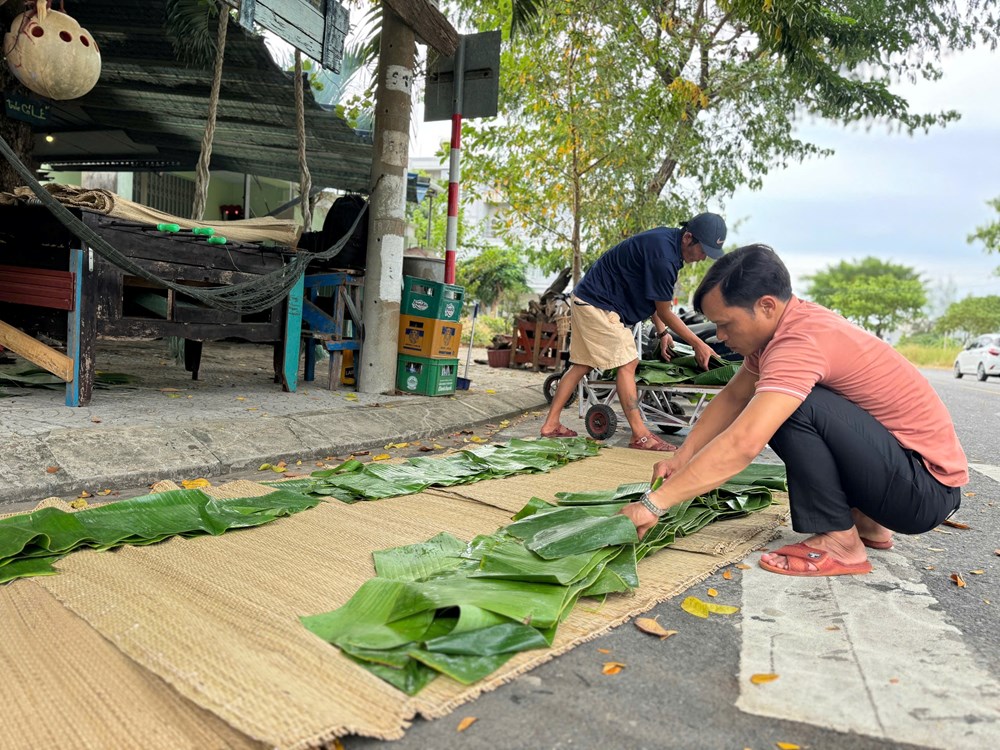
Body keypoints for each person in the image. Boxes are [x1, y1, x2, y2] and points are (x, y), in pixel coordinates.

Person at [620, 244, 967, 576]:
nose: (720, 336)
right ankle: (868, 524)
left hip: (922, 490)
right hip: (912, 481)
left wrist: (655, 504)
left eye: (726, 324)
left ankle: (840, 542)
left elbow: (744, 441)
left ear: (767, 306)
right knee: (782, 399)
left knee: (792, 408)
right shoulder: (783, 329)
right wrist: (683, 456)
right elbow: (732, 397)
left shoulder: (798, 342)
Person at [540, 213, 727, 451]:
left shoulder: (667, 242)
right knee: (629, 362)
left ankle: (551, 425)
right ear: (689, 237)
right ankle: (640, 435)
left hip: (589, 299)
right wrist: (698, 344)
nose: (702, 258)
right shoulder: (664, 257)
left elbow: (654, 299)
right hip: (597, 305)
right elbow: (665, 310)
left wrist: (662, 333)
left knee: (582, 365)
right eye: (703, 251)